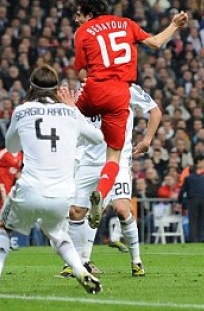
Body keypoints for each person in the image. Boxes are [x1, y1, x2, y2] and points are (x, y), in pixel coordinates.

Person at [0, 65, 103, 296]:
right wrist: (73, 110)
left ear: (31, 87)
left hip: (30, 188)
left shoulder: (22, 110)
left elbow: (12, 147)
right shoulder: (71, 112)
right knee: (58, 234)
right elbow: (98, 138)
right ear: (57, 89)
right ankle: (79, 269)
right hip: (63, 193)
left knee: (3, 228)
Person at [73, 0, 188, 228]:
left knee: (67, 121)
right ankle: (101, 193)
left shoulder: (82, 32)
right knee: (114, 154)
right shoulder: (126, 24)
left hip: (93, 90)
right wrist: (175, 24)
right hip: (119, 93)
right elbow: (156, 43)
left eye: (79, 14)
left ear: (88, 13)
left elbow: (82, 73)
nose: (76, 19)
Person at [60, 84, 161, 279]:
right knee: (76, 212)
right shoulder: (83, 91)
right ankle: (73, 264)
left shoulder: (126, 88)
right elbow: (75, 126)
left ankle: (136, 262)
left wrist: (147, 140)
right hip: (89, 161)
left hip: (118, 160)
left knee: (122, 209)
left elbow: (155, 111)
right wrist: (69, 109)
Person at [178, 155, 204, 243]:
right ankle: (200, 238)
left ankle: (193, 239)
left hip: (193, 200)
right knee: (201, 219)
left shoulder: (188, 178)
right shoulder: (203, 178)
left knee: (193, 220)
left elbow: (183, 190)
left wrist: (179, 200)